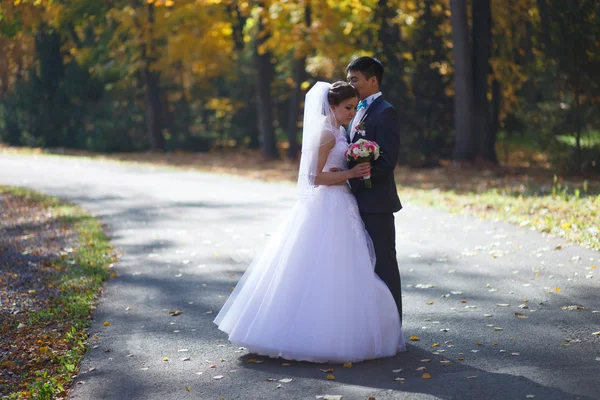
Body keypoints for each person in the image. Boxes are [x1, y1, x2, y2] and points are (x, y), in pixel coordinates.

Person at [214, 81, 405, 363]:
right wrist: (350, 174)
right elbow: (313, 178)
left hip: (344, 205)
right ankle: (305, 333)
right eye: (347, 108)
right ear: (332, 106)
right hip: (328, 205)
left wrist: (350, 172)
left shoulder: (340, 130)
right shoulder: (327, 134)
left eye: (354, 107)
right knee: (321, 268)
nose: (352, 113)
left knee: (347, 269)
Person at [346, 57, 403, 323]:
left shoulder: (385, 111)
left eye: (355, 79)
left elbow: (387, 162)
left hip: (377, 202)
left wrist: (355, 181)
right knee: (361, 265)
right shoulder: (354, 110)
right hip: (354, 201)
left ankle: (392, 326)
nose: (351, 84)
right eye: (349, 80)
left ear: (373, 80)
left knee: (384, 264)